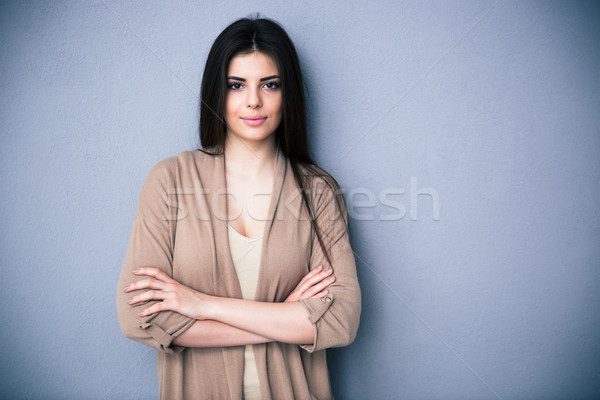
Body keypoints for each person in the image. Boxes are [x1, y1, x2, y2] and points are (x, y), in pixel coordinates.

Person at [116, 16, 361, 400]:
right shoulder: (170, 180)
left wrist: (200, 304)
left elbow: (341, 320)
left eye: (270, 84)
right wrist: (285, 316)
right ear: (217, 93)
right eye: (236, 85)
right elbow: (140, 317)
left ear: (288, 94)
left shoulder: (318, 192)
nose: (253, 100)